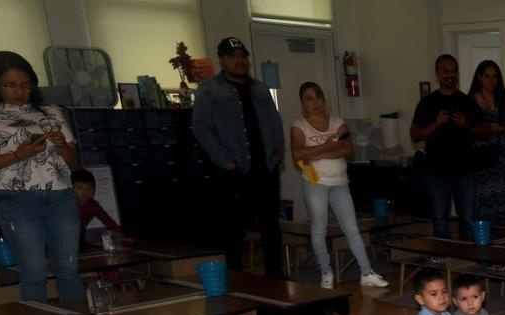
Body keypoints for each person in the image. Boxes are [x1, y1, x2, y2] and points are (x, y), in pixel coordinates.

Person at [193, 36, 285, 278]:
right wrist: (226, 162)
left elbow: (275, 123)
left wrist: (276, 155)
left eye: (243, 56)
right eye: (233, 56)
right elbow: (201, 128)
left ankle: (275, 277)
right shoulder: (208, 91)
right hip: (233, 171)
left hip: (264, 169)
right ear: (222, 59)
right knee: (233, 229)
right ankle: (235, 279)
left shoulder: (260, 88)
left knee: (270, 227)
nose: (240, 61)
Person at [0, 51, 83, 302]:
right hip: (16, 201)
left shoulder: (51, 112)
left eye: (25, 85)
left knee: (68, 269)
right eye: (9, 85)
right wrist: (18, 154)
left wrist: (63, 145)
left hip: (61, 197)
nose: (18, 92)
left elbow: (75, 163)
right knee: (34, 272)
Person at [290, 81, 388, 289]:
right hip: (315, 183)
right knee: (319, 228)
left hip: (340, 182)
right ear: (302, 102)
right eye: (309, 98)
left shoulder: (338, 122)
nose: (315, 103)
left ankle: (366, 271)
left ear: (324, 99)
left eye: (318, 97)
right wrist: (326, 146)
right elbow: (297, 154)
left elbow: (347, 149)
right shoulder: (299, 125)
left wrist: (317, 151)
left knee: (351, 227)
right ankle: (326, 273)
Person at [411, 54, 484, 239]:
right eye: (445, 71)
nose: (450, 75)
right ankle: (441, 263)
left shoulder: (467, 101)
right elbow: (414, 134)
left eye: (453, 71)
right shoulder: (427, 102)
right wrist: (436, 124)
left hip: (465, 168)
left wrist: (467, 125)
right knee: (440, 220)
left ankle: (468, 263)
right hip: (436, 169)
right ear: (437, 74)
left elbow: (485, 132)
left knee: (468, 220)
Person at [469, 60, 505, 227]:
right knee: (486, 202)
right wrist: (489, 128)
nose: (491, 81)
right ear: (479, 77)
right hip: (484, 159)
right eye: (487, 76)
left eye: (495, 77)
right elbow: (468, 129)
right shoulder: (472, 100)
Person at [72, 168, 127, 249]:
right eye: (80, 188)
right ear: (71, 189)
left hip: (79, 234)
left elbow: (108, 221)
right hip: (62, 233)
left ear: (94, 191)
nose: (84, 192)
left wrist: (121, 235)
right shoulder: (67, 203)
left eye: (88, 189)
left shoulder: (93, 205)